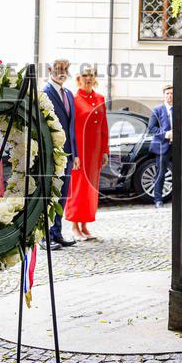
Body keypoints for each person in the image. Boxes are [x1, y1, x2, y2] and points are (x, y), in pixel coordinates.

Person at [63, 66, 109, 243]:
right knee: (77, 188)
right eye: (84, 75)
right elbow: (70, 129)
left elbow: (104, 127)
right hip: (80, 151)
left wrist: (105, 151)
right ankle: (74, 225)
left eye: (91, 75)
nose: (88, 78)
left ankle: (84, 224)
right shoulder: (73, 100)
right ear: (78, 79)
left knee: (91, 189)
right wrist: (73, 153)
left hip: (95, 151)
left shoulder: (100, 98)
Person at [42, 59, 80, 249]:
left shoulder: (69, 95)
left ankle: (56, 234)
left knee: (62, 196)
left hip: (66, 155)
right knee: (49, 195)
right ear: (50, 71)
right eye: (58, 69)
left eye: (65, 69)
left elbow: (72, 127)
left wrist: (75, 155)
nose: (62, 72)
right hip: (51, 154)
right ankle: (44, 237)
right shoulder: (44, 94)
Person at [147, 85, 182, 209]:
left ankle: (181, 200)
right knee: (161, 173)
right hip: (162, 146)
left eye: (172, 94)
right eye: (167, 93)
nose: (169, 96)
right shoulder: (157, 110)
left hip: (177, 146)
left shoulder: (181, 110)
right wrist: (165, 134)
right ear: (163, 95)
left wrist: (178, 134)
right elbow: (151, 128)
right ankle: (158, 200)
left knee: (180, 173)